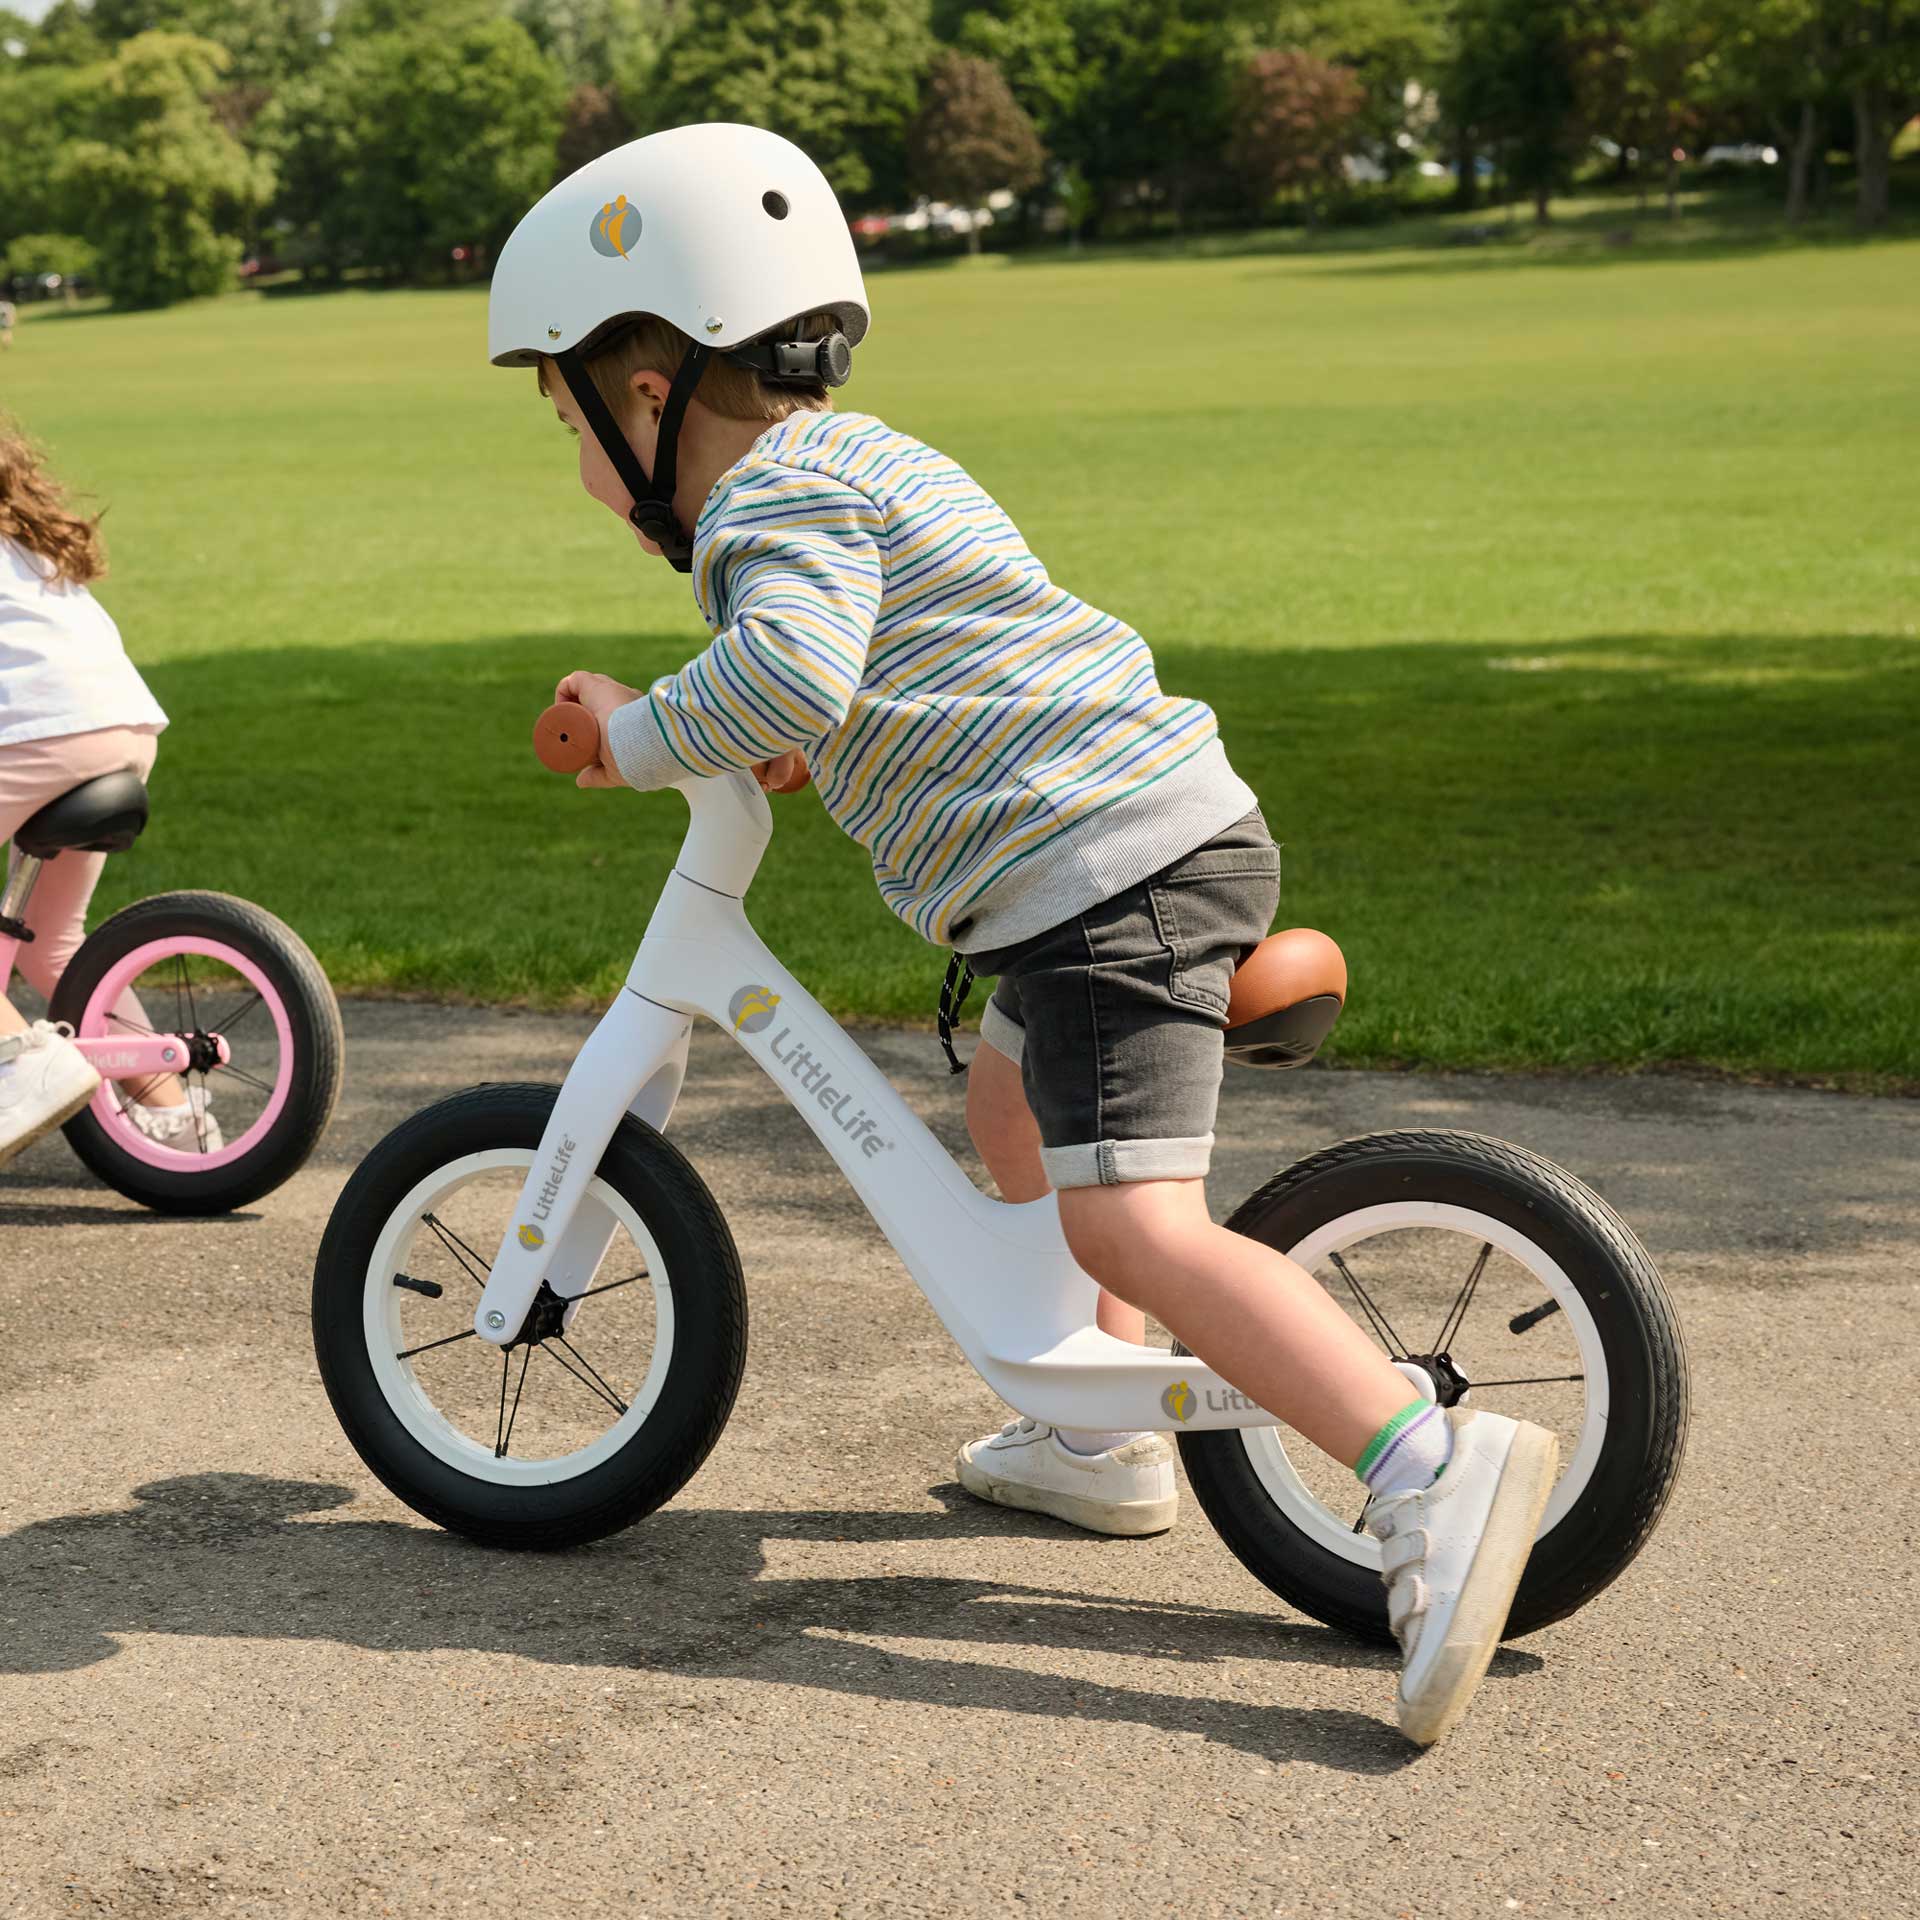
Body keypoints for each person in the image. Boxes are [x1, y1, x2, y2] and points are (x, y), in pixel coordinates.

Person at [487, 124, 1556, 1746]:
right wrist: (802, 728)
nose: (576, 473)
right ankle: (1100, 1435)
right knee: (1008, 1111)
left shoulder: (770, 507)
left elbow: (796, 672)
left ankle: (1422, 1462)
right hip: (1102, 865)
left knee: (1135, 1223)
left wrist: (637, 733)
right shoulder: (864, 466)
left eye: (566, 422)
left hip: (1105, 888)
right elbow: (913, 649)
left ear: (646, 394)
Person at [0, 424, 218, 1168]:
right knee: (55, 945)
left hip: (33, 733)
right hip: (121, 729)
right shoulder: (25, 535)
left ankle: (22, 1061)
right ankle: (175, 1119)